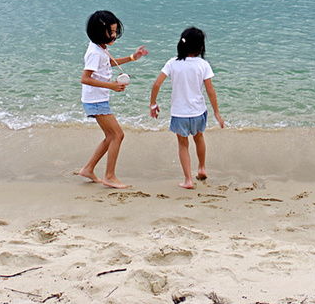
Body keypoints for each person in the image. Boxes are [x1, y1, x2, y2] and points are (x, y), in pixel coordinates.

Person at [76, 10, 148, 188]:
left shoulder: (101, 48)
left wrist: (132, 58)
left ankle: (88, 169)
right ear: (100, 31)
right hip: (95, 100)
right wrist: (112, 86)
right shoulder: (94, 52)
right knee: (117, 135)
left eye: (115, 31)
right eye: (111, 32)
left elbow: (107, 63)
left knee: (110, 137)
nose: (114, 35)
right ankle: (109, 176)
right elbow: (85, 78)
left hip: (97, 99)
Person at [149, 27, 225, 189]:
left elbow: (156, 84)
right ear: (201, 47)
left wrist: (153, 104)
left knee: (183, 145)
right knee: (199, 139)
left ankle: (188, 180)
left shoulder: (172, 63)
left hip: (180, 114)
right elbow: (211, 91)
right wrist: (216, 112)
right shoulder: (203, 64)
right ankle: (202, 168)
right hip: (198, 111)